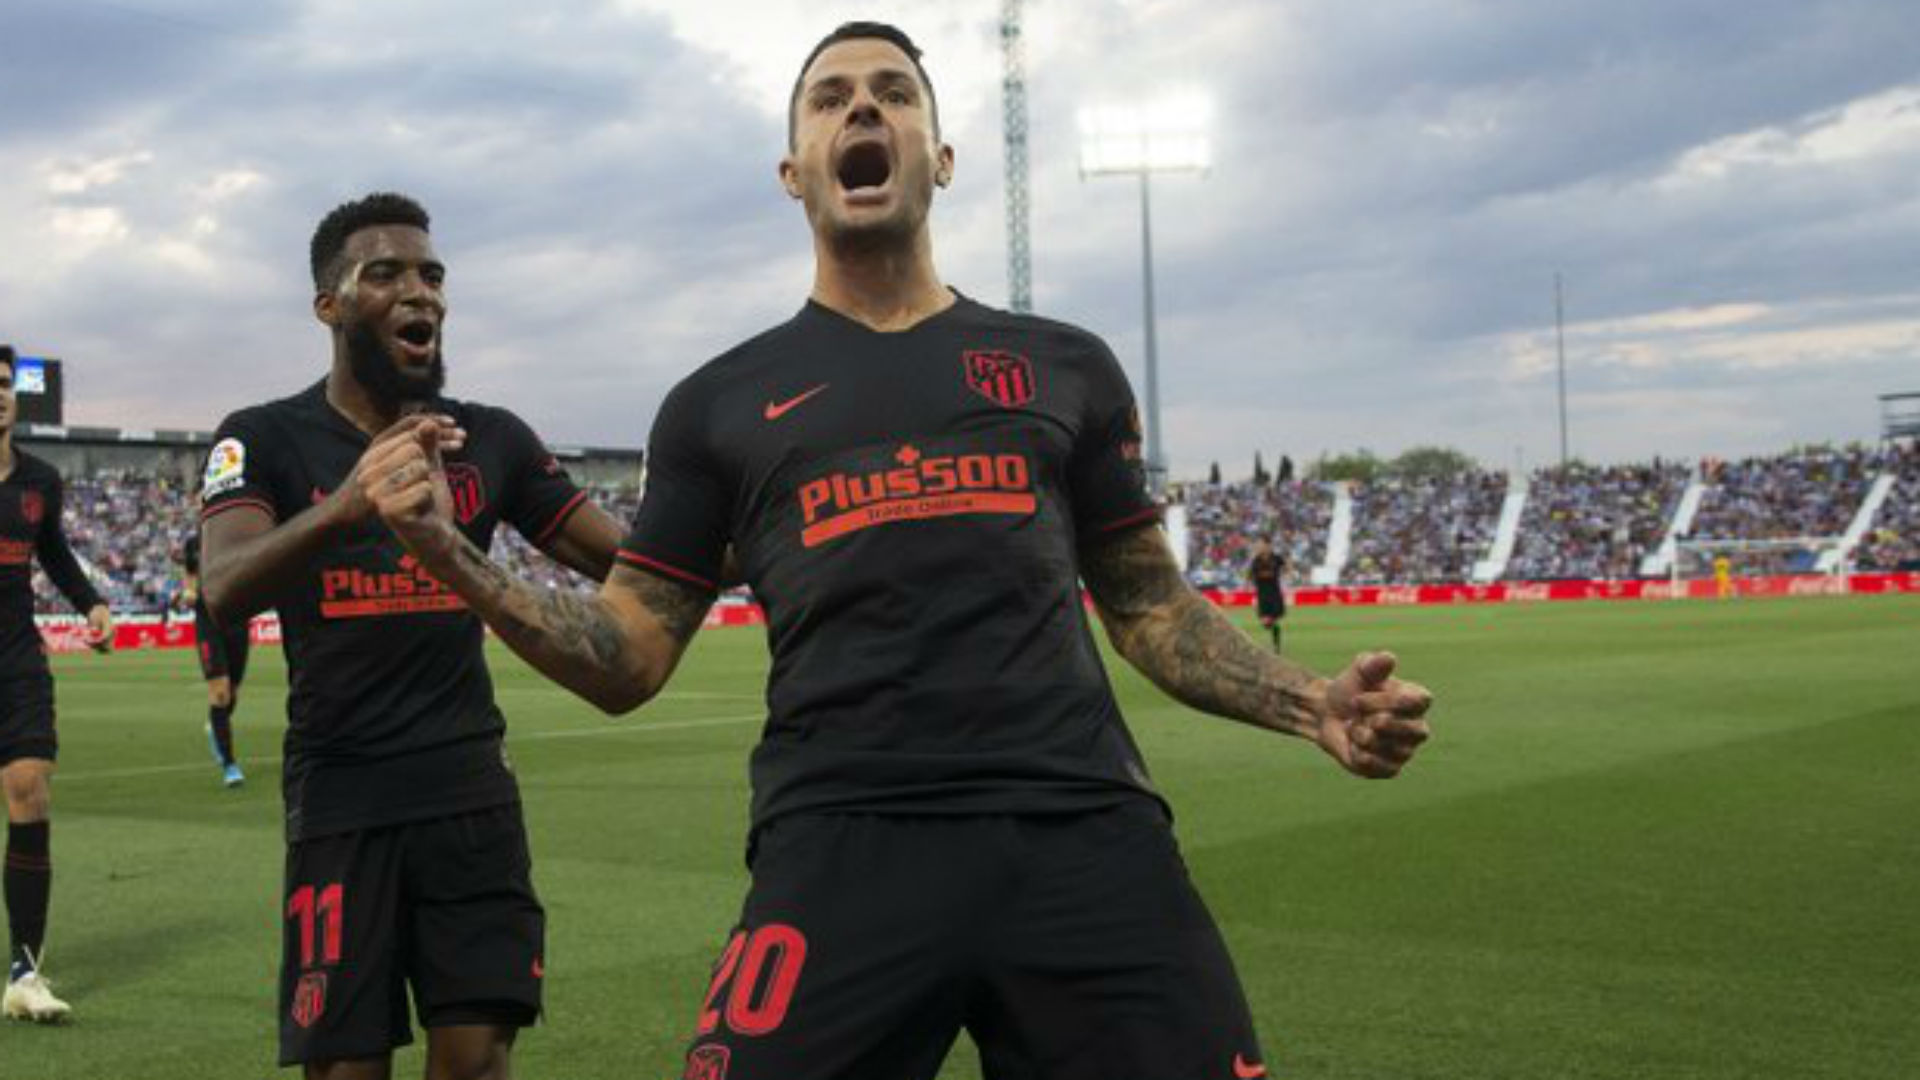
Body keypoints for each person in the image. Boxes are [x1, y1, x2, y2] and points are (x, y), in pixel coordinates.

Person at [365, 23, 1434, 1079]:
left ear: (942, 157)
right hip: (840, 840)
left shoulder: (1066, 366)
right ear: (794, 172)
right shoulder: (714, 404)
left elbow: (1152, 608)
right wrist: (449, 551)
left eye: (894, 92)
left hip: (1081, 831)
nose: (864, 108)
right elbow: (628, 653)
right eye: (830, 99)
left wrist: (1312, 705)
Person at [197, 193, 622, 1078]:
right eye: (385, 273)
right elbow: (224, 585)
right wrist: (349, 503)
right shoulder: (261, 436)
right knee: (347, 1067)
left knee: (476, 1059)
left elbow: (625, 560)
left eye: (431, 274)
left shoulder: (491, 438)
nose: (419, 291)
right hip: (342, 794)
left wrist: (761, 513)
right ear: (330, 305)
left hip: (470, 789)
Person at [0, 344, 114, 1024]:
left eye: (3, 384)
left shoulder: (40, 480)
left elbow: (55, 555)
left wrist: (92, 604)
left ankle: (24, 971)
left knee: (29, 790)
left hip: (16, 661)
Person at [178, 530, 249, 787]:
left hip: (237, 619)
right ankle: (229, 764)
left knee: (232, 693)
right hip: (208, 622)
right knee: (220, 693)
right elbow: (189, 573)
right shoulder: (193, 543)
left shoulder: (237, 534)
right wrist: (188, 591)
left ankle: (215, 725)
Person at [1248, 535, 1287, 652]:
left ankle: (1276, 646)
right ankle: (1275, 640)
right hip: (1262, 594)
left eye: (1261, 544)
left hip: (1274, 594)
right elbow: (1250, 574)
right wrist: (1249, 582)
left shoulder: (1276, 558)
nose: (1259, 546)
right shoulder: (1256, 560)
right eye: (1258, 544)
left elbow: (1286, 565)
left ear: (1268, 545)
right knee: (1266, 624)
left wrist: (1286, 573)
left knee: (1272, 620)